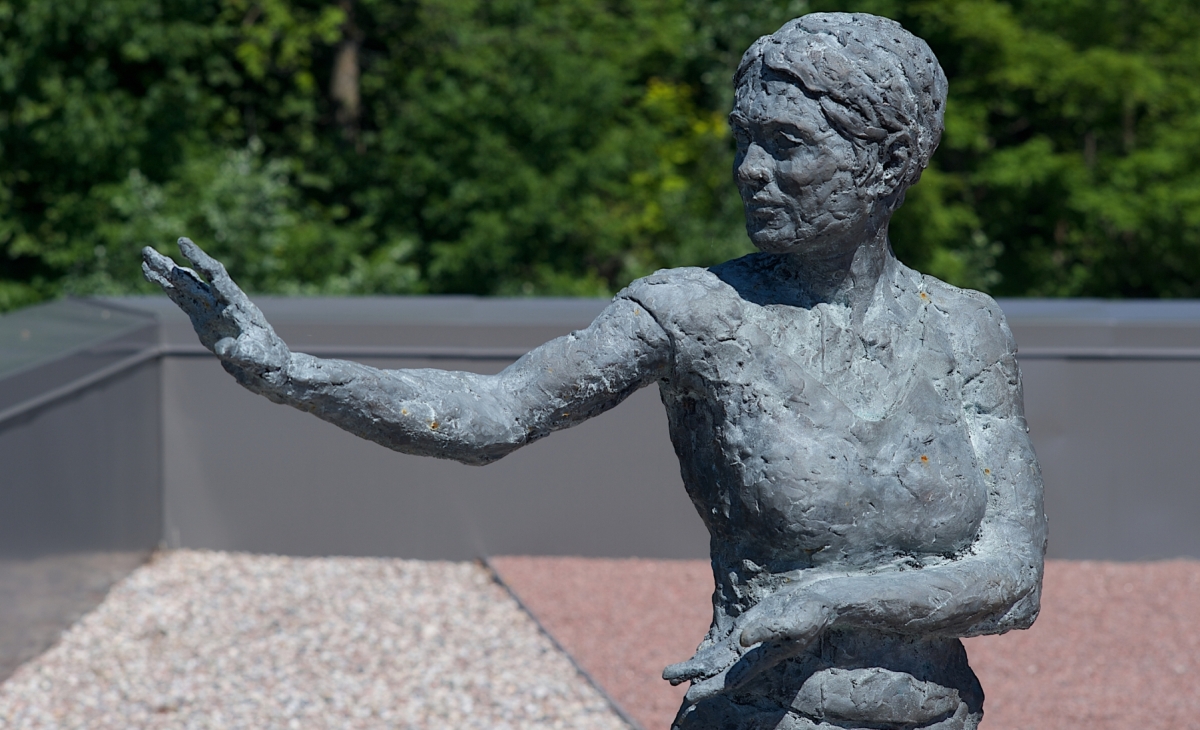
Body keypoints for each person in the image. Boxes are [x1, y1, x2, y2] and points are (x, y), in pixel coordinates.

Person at [143, 12, 1045, 730]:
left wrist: (823, 601)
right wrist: (290, 372)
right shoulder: (697, 313)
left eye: (787, 145)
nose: (750, 171)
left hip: (943, 717)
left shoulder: (965, 327)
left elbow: (1012, 580)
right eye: (743, 140)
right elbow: (495, 413)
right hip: (766, 718)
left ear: (888, 162)